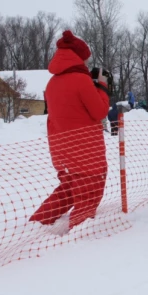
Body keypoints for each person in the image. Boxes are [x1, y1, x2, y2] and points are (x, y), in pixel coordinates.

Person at [28, 30, 110, 233]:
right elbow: (99, 111)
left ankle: (38, 222)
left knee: (69, 189)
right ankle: (81, 232)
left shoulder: (52, 82)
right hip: (85, 151)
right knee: (89, 191)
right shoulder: (81, 81)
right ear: (79, 56)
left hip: (61, 150)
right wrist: (102, 87)